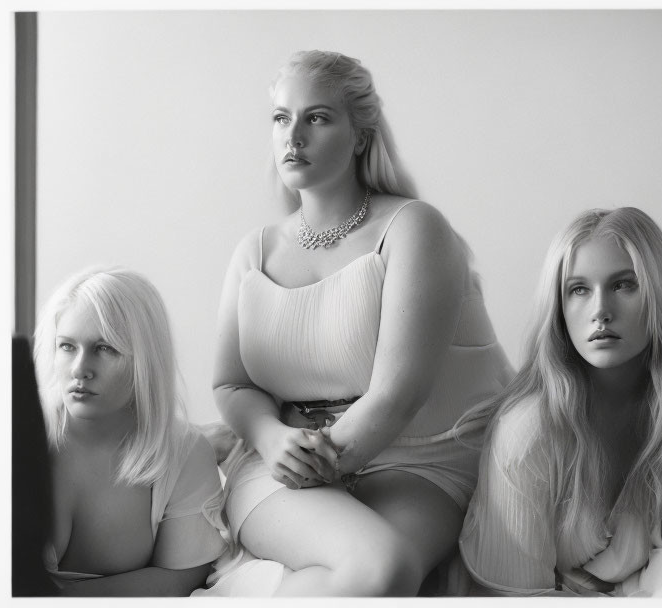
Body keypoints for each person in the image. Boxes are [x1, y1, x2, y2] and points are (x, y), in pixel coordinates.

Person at [211, 50, 514, 596]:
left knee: (383, 569)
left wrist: (319, 462)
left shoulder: (412, 228)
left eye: (317, 117)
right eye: (281, 118)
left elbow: (397, 395)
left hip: (415, 460)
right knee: (373, 565)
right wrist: (271, 436)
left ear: (359, 135)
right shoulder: (252, 252)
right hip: (280, 459)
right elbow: (231, 383)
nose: (293, 136)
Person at [457, 207, 662, 597]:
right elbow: (518, 595)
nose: (600, 312)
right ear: (559, 307)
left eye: (624, 285)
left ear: (658, 293)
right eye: (579, 289)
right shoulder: (528, 429)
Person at [33, 267, 228, 596]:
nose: (80, 369)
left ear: (146, 359)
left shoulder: (183, 453)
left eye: (105, 348)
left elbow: (179, 579)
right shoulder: (20, 434)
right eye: (67, 347)